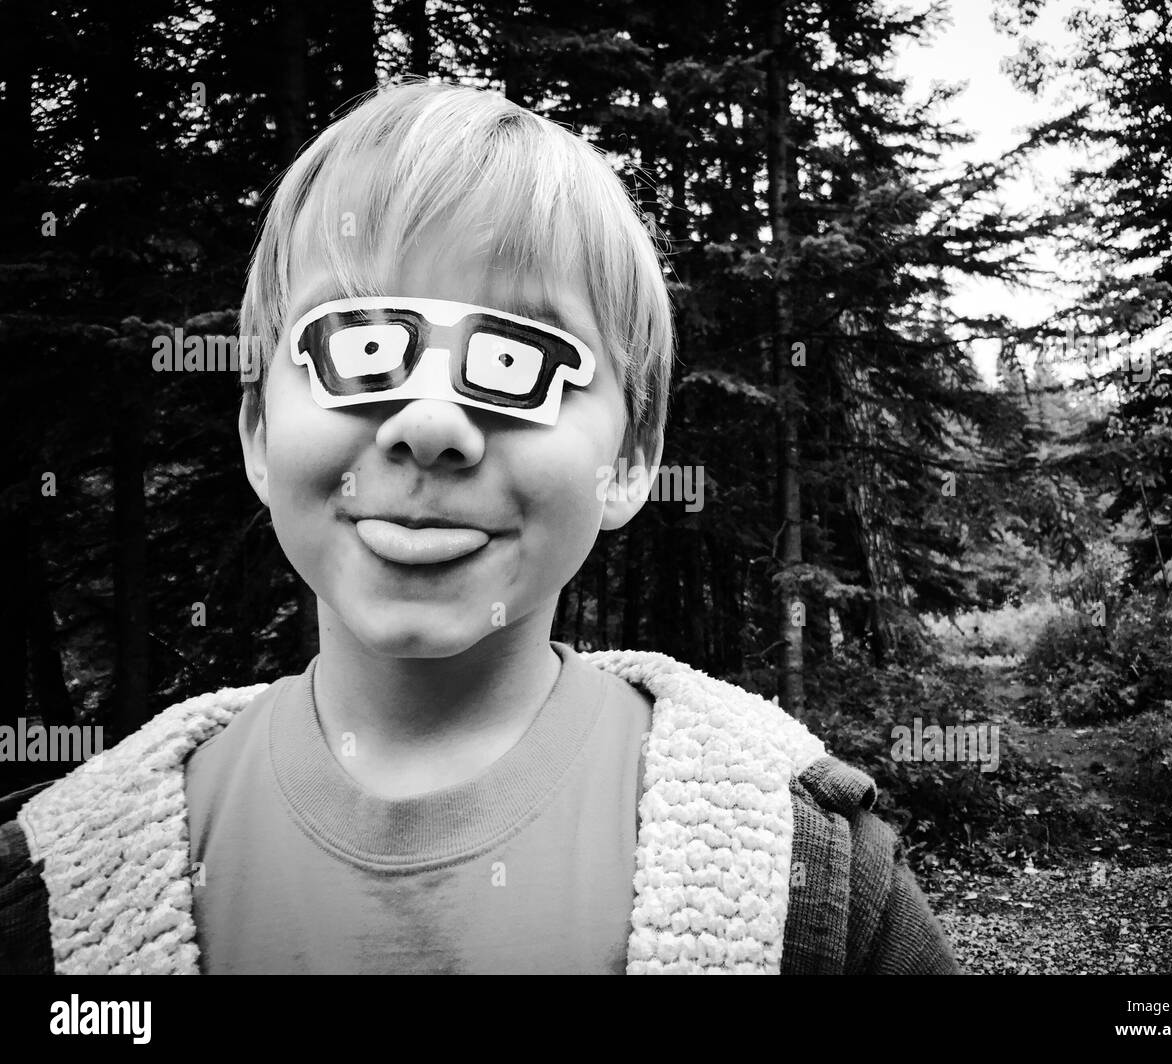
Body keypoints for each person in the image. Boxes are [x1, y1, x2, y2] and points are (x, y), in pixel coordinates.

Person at [0, 80, 959, 975]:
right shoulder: (54, 882)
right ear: (257, 429)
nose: (429, 423)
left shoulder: (813, 868)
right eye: (363, 345)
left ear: (631, 457)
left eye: (514, 356)